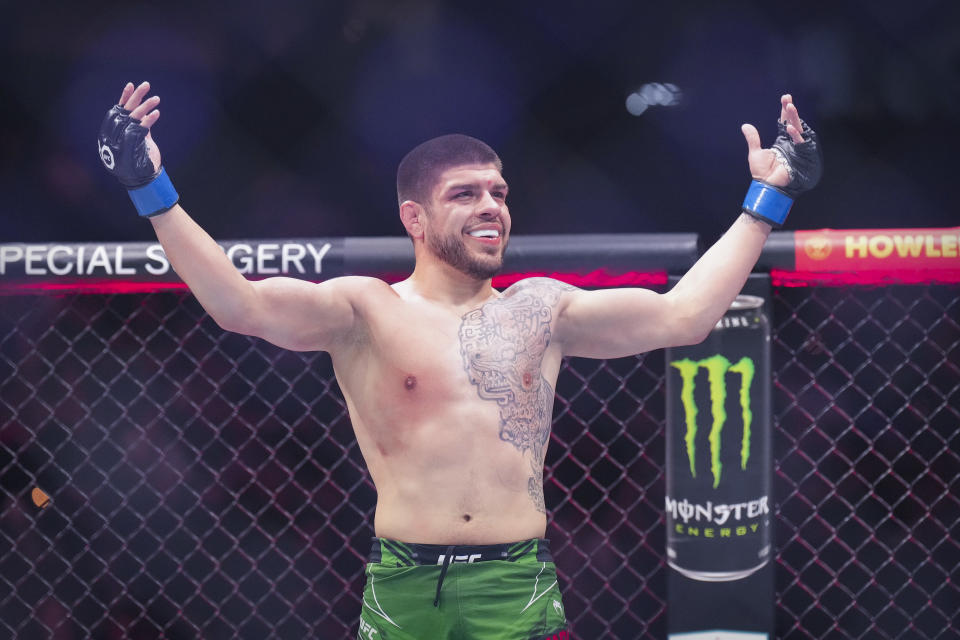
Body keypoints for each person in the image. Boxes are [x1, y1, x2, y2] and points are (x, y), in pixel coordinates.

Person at [98, 81, 821, 639]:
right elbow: (240, 306)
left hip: (518, 582)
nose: (491, 206)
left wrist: (768, 197)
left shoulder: (543, 308)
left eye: (499, 193)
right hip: (405, 583)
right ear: (414, 218)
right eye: (465, 194)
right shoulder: (366, 311)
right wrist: (150, 190)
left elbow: (684, 317)